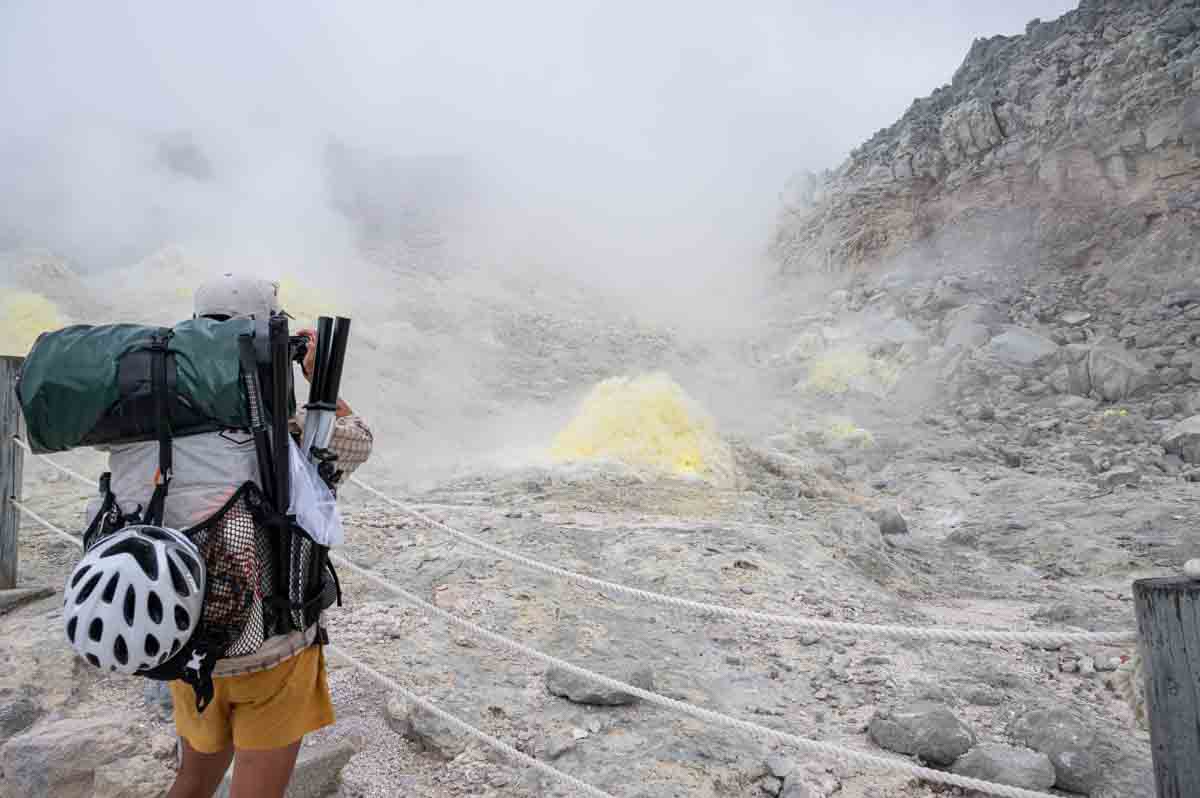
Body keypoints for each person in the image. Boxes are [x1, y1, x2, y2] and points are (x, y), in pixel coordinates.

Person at [84, 274, 372, 798]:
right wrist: (315, 376)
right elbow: (358, 443)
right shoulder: (278, 438)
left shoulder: (137, 430)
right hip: (271, 648)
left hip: (184, 638)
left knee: (193, 782)